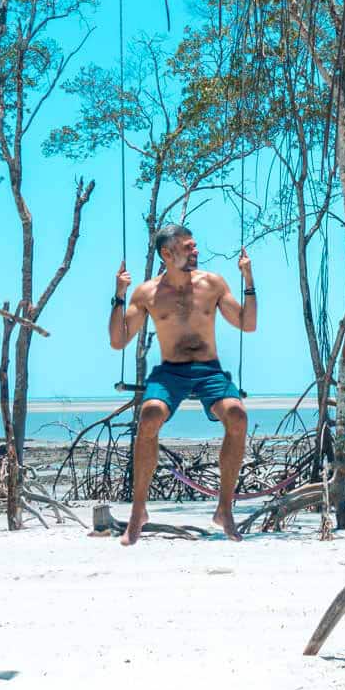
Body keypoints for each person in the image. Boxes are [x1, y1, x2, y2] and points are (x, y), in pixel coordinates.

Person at [109, 224, 256, 545]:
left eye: (194, 246)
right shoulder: (147, 292)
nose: (196, 251)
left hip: (208, 370)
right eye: (188, 247)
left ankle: (224, 508)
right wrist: (118, 296)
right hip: (171, 372)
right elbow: (119, 341)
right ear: (167, 253)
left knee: (237, 415)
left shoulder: (213, 283)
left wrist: (248, 280)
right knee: (149, 416)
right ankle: (138, 512)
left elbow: (248, 324)